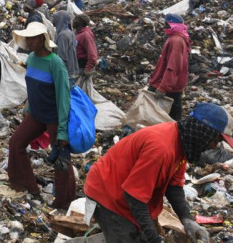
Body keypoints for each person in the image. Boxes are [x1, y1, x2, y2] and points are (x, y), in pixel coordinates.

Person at [84, 102, 233, 243]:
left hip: (128, 192)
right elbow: (134, 197)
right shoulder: (161, 149)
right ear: (202, 132)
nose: (214, 147)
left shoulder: (182, 144)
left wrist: (187, 220)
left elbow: (173, 186)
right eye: (215, 140)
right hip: (108, 193)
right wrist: (153, 238)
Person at [7, 22, 75, 209]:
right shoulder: (31, 59)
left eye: (33, 38)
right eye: (27, 38)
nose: (29, 42)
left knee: (61, 159)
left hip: (53, 116)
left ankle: (64, 203)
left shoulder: (55, 62)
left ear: (43, 39)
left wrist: (62, 130)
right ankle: (27, 186)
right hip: (36, 115)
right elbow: (33, 88)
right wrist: (28, 110)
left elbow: (64, 96)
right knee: (16, 143)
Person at [147, 14, 189, 121]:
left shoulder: (176, 40)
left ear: (172, 25)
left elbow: (173, 66)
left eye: (166, 24)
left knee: (155, 116)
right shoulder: (177, 38)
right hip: (172, 84)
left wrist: (163, 88)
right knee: (172, 117)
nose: (164, 27)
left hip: (167, 84)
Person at [53, 10, 79, 82]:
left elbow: (62, 56)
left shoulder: (62, 35)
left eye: (55, 19)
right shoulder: (70, 32)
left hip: (66, 72)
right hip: (72, 69)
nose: (53, 22)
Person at [73, 14, 98, 79]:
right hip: (76, 65)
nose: (73, 21)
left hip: (81, 67)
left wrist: (87, 69)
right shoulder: (77, 33)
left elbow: (92, 54)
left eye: (76, 19)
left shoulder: (85, 35)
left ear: (81, 22)